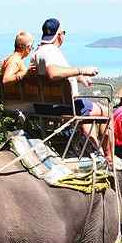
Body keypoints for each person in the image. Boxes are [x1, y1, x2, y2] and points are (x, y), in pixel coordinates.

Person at [32, 18, 111, 158]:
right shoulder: (51, 51)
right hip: (63, 106)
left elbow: (59, 73)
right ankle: (109, 157)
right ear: (59, 35)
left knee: (87, 112)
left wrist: (79, 78)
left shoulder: (38, 52)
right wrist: (82, 70)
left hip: (44, 104)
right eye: (64, 32)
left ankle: (91, 147)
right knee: (106, 112)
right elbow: (53, 73)